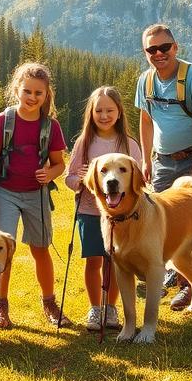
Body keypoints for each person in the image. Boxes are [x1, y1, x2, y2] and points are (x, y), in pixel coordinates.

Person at [134, 23, 192, 311]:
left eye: (164, 47)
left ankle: (191, 287)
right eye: (152, 49)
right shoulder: (145, 82)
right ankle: (179, 274)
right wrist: (146, 159)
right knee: (161, 222)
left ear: (175, 47)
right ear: (146, 53)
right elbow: (145, 121)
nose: (159, 53)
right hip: (163, 161)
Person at [0, 61, 72, 328]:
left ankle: (50, 303)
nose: (32, 98)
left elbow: (59, 163)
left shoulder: (50, 127)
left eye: (38, 93)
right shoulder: (3, 121)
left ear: (46, 96)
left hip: (37, 194)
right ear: (17, 90)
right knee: (3, 251)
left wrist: (51, 174)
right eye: (27, 91)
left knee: (41, 249)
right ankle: (0, 305)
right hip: (5, 192)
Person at [64, 86, 142, 332]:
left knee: (115, 262)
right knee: (93, 261)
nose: (104, 115)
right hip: (90, 211)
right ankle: (95, 308)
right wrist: (81, 181)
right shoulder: (84, 142)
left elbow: (138, 179)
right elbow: (69, 176)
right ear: (91, 113)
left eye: (110, 110)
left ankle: (111, 308)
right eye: (99, 110)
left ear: (119, 112)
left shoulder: (129, 144)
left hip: (122, 217)